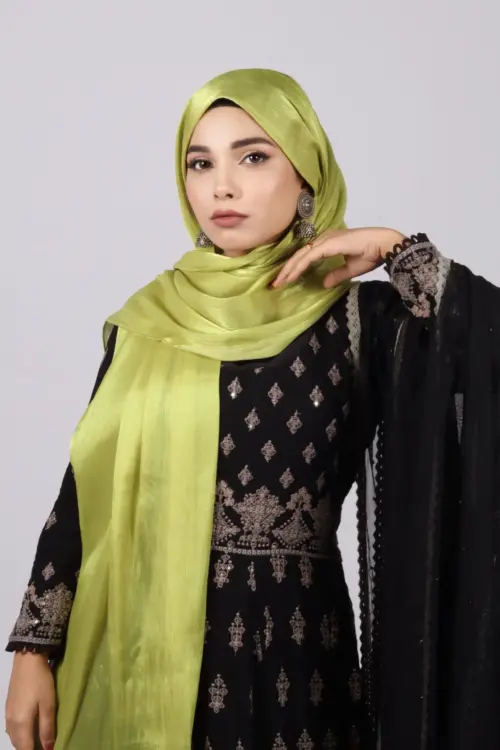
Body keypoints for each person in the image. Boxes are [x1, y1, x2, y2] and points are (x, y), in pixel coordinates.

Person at [4, 68, 500, 750]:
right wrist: (33, 650)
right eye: (200, 163)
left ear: (307, 176)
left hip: (296, 666)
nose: (222, 187)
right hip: (137, 655)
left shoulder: (360, 317)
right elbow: (82, 497)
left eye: (254, 157)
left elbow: (482, 355)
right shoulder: (148, 324)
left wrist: (396, 250)